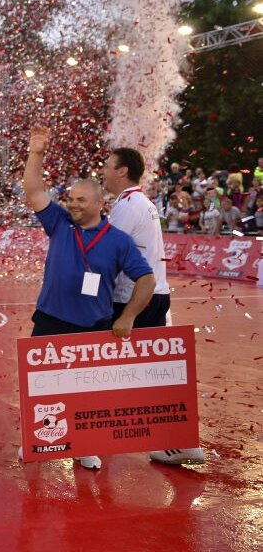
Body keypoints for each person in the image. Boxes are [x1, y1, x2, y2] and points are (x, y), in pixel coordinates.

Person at [22, 125, 156, 470]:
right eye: (71, 198)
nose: (74, 204)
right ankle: (39, 439)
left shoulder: (119, 240)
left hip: (92, 325)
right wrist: (36, 153)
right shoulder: (59, 222)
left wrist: (127, 316)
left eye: (81, 200)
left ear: (99, 203)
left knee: (87, 392)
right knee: (41, 386)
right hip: (50, 319)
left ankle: (84, 445)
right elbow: (33, 189)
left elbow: (147, 279)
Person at [103, 147, 206, 466]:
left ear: (122, 171)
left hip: (135, 297)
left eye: (108, 166)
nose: (103, 171)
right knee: (153, 370)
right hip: (153, 293)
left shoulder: (128, 207)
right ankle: (180, 440)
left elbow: (109, 254)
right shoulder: (139, 203)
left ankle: (177, 440)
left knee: (133, 371)